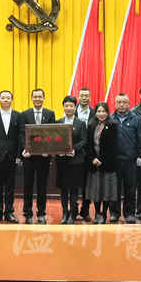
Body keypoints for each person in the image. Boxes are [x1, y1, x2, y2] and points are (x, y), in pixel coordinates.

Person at [19, 88, 56, 224]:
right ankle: (28, 213)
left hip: (44, 157)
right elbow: (22, 134)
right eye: (35, 97)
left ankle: (41, 213)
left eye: (40, 97)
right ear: (31, 98)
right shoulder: (25, 114)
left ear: (44, 98)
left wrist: (48, 149)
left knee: (42, 186)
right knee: (28, 185)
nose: (37, 99)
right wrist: (26, 148)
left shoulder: (50, 114)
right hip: (29, 156)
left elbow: (52, 133)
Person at [0, 90, 21, 224]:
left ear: (12, 100)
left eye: (8, 98)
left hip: (12, 156)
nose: (5, 100)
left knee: (10, 186)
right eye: (3, 98)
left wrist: (18, 155)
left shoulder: (18, 115)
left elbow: (20, 137)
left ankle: (9, 212)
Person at [109, 94, 141, 223]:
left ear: (129, 104)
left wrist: (140, 155)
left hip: (131, 160)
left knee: (130, 188)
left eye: (124, 102)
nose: (121, 105)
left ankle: (129, 214)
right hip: (114, 160)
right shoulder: (110, 119)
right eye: (119, 102)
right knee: (114, 188)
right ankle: (114, 213)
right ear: (115, 104)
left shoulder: (137, 120)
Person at [55, 96, 87, 224]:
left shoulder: (81, 123)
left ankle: (72, 213)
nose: (68, 108)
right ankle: (65, 213)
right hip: (61, 161)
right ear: (63, 107)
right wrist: (58, 150)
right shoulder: (57, 122)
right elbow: (54, 140)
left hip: (76, 161)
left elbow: (84, 140)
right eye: (66, 105)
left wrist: (74, 149)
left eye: (71, 106)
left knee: (74, 188)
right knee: (63, 188)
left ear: (75, 107)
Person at [85, 102, 118, 224]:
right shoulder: (91, 125)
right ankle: (97, 213)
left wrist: (102, 159)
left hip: (107, 163)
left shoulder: (113, 125)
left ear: (108, 112)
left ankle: (104, 214)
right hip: (93, 163)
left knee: (106, 190)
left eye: (103, 111)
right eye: (99, 111)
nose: (101, 114)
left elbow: (112, 145)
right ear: (95, 113)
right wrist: (93, 158)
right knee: (96, 190)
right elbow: (88, 144)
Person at [74, 87, 95, 221]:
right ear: (78, 97)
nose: (84, 98)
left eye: (86, 96)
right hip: (75, 153)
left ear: (90, 97)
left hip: (90, 153)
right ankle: (73, 209)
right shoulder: (72, 111)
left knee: (88, 183)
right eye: (82, 95)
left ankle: (85, 209)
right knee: (74, 182)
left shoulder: (95, 113)